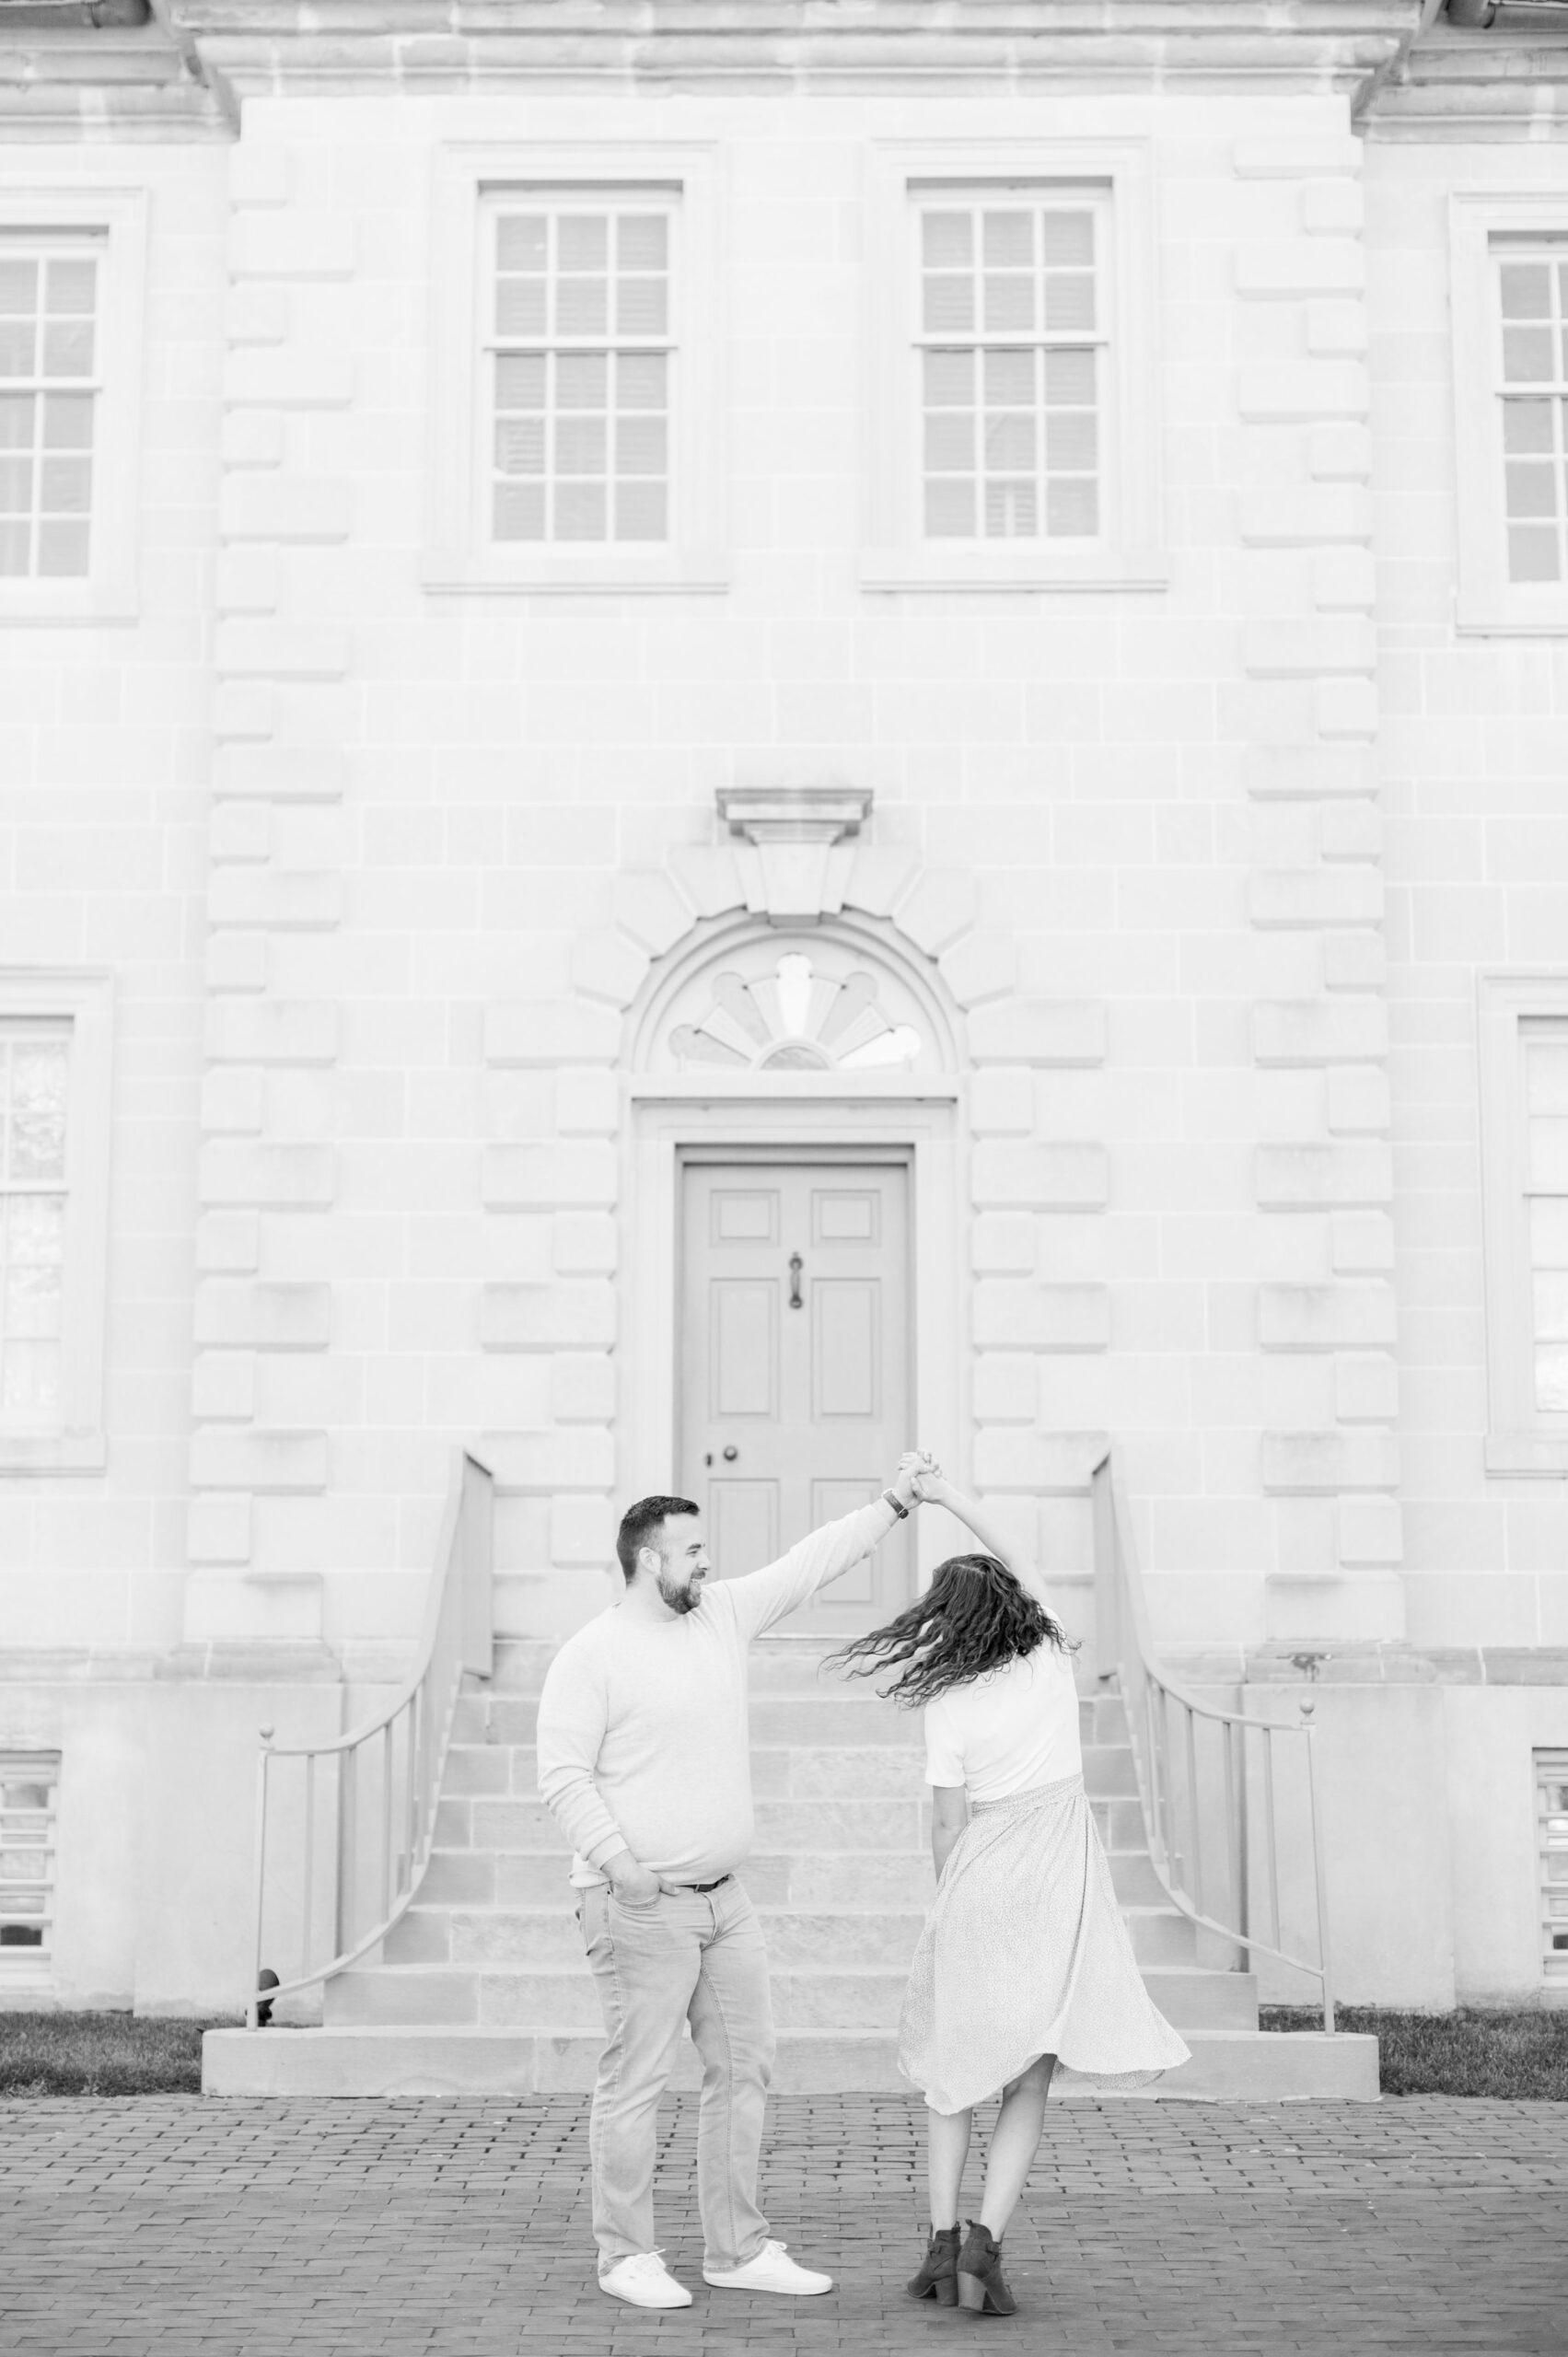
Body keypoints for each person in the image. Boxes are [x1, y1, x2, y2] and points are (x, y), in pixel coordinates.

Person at [535, 1460, 928, 2312]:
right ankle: (625, 2256)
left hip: (725, 1901)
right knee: (636, 2080)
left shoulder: (721, 1616)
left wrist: (893, 1504)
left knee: (744, 2067)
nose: (706, 1563)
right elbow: (563, 1777)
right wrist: (626, 1871)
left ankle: (736, 2249)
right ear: (648, 1561)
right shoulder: (592, 1655)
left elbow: (809, 1562)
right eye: (692, 1550)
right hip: (640, 1905)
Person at [829, 1460, 1190, 2319]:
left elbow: (945, 1827)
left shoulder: (946, 1703)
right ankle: (984, 2248)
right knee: (1029, 2078)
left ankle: (938, 2243)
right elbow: (1019, 1552)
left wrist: (946, 1904)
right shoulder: (1050, 1656)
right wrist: (950, 1496)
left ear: (943, 1627)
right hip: (1055, 1868)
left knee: (952, 2075)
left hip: (981, 1872)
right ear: (1015, 1609)